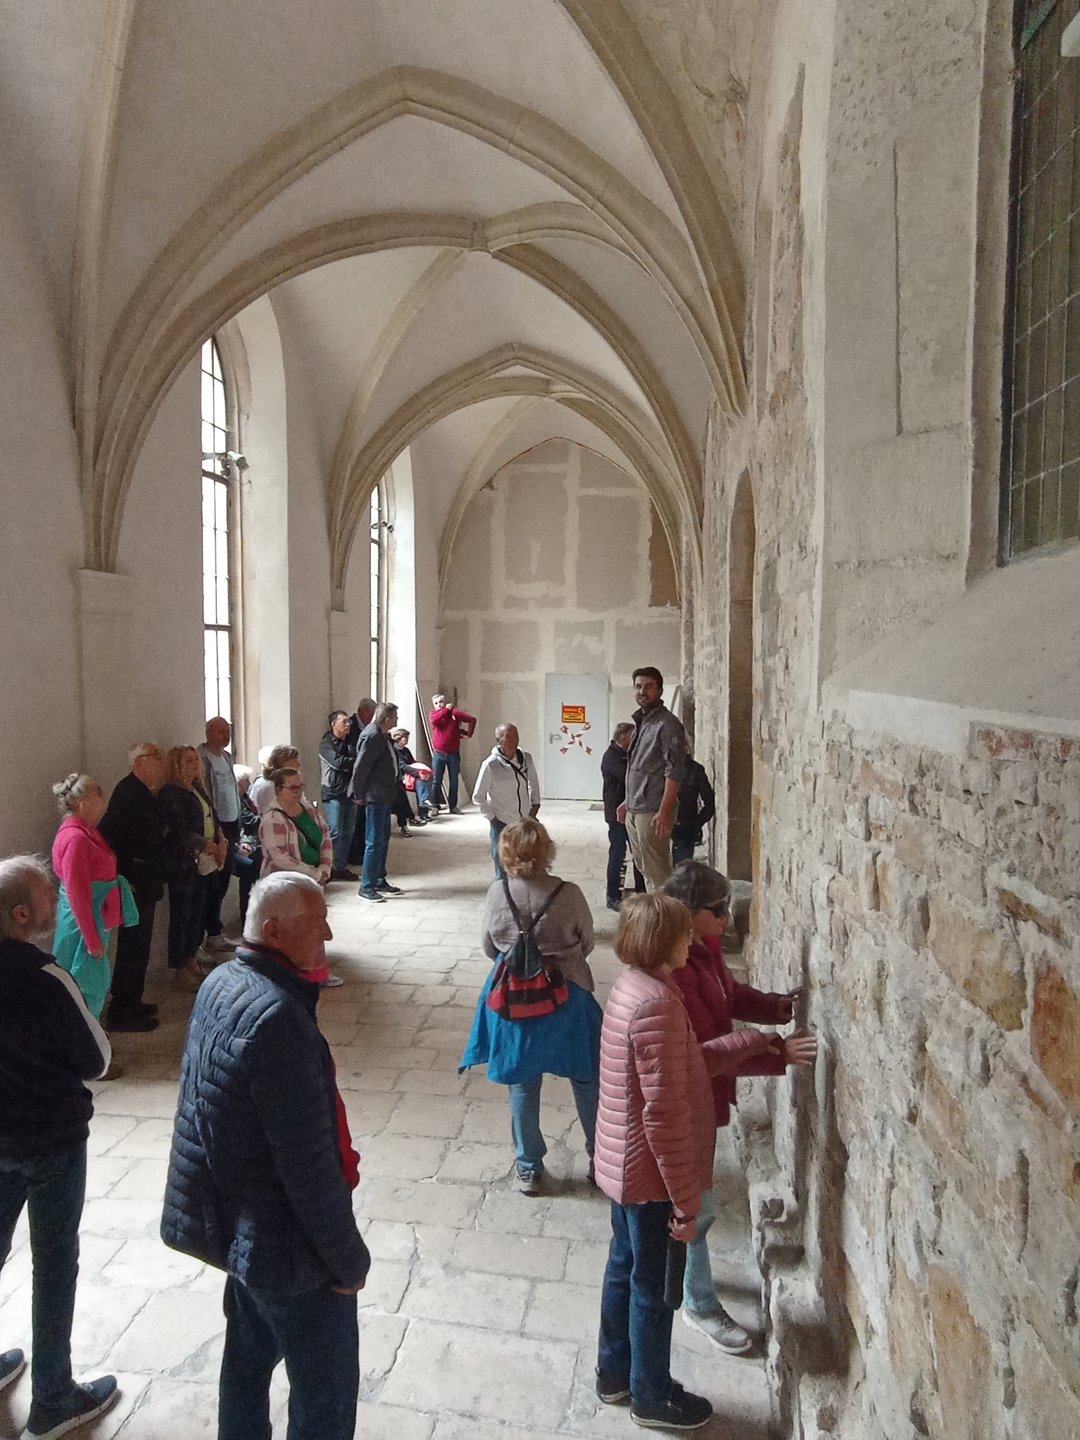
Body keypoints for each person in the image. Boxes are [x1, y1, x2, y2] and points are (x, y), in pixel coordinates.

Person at [161, 873, 370, 1440]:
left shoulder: (223, 981)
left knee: (246, 1364)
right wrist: (347, 1261)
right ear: (274, 931)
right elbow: (309, 1168)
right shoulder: (277, 1020)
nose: (328, 933)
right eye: (316, 923)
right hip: (288, 1249)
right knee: (325, 1397)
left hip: (244, 1232)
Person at [664, 861, 816, 1353]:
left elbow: (727, 996)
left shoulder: (701, 950)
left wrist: (772, 1007)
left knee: (694, 1205)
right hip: (685, 1104)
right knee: (696, 1208)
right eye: (718, 910)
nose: (728, 918)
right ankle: (697, 1303)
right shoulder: (676, 970)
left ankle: (683, 1280)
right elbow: (704, 1055)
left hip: (702, 1101)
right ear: (690, 914)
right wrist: (775, 1053)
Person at [0, 856, 118, 1440]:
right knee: (53, 1264)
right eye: (48, 894)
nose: (57, 901)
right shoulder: (46, 976)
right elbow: (97, 1060)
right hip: (50, 1141)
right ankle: (52, 1401)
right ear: (22, 914)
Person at [593, 892, 716, 1432]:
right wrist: (685, 1203)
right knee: (653, 1287)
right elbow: (663, 1115)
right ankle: (651, 1395)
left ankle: (614, 1374)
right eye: (683, 933)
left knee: (623, 1270)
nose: (691, 940)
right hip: (647, 1177)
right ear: (662, 941)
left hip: (621, 1164)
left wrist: (756, 1049)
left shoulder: (631, 987)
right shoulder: (658, 1004)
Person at [460, 819, 600, 1196]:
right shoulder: (568, 893)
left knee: (522, 1082)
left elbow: (489, 946)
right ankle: (600, 1158)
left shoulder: (498, 892)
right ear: (546, 850)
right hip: (568, 995)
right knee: (586, 1076)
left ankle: (529, 1167)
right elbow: (587, 941)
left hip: (516, 999)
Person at [50, 775, 138, 1079]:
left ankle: (93, 1049)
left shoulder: (85, 831)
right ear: (81, 802)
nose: (103, 799)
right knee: (86, 988)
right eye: (98, 794)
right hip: (82, 925)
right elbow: (77, 892)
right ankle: (91, 1058)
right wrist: (91, 939)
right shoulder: (75, 838)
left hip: (93, 920)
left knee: (91, 987)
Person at [97, 740, 166, 1032]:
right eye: (155, 758)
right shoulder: (127, 792)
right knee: (132, 947)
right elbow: (112, 837)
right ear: (139, 763)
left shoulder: (143, 792)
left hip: (146, 878)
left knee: (140, 946)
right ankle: (122, 1010)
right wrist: (128, 876)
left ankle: (133, 1000)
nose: (160, 764)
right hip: (135, 881)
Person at [258, 768, 339, 988]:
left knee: (314, 926)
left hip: (314, 880)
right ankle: (287, 976)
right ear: (278, 789)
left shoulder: (307, 809)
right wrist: (313, 873)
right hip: (285, 883)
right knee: (288, 930)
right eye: (292, 788)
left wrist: (325, 867)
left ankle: (316, 973)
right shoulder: (272, 817)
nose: (297, 792)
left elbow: (324, 836)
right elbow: (279, 856)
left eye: (299, 787)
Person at [159, 746, 227, 992]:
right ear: (176, 765)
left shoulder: (197, 788)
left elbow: (211, 817)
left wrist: (221, 840)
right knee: (182, 916)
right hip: (184, 863)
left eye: (196, 759)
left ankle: (191, 959)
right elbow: (180, 831)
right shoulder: (171, 793)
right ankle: (180, 969)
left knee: (196, 914)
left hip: (204, 860)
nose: (195, 764)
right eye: (188, 760)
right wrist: (210, 846)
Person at [617, 667, 686, 891]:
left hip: (653, 810)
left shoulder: (667, 725)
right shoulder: (643, 722)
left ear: (659, 690)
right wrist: (627, 801)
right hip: (636, 808)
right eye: (638, 686)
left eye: (649, 686)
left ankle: (666, 912)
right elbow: (639, 767)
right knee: (645, 869)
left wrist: (665, 810)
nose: (642, 691)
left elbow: (674, 770)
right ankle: (655, 910)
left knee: (659, 873)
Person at [472, 723, 541, 879]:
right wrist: (492, 818)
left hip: (523, 821)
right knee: (502, 862)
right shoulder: (490, 765)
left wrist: (535, 805)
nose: (514, 740)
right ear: (499, 740)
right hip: (501, 822)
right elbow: (478, 796)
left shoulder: (526, 759)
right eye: (509, 736)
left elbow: (533, 783)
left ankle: (522, 890)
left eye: (516, 736)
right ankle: (502, 889)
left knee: (525, 861)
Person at [350, 702, 402, 903]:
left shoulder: (381, 734)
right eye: (395, 717)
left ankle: (379, 880)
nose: (397, 720)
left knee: (382, 839)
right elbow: (361, 766)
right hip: (375, 795)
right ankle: (367, 886)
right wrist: (358, 793)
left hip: (384, 795)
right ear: (387, 718)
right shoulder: (372, 735)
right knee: (373, 841)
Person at [197, 716, 241, 953]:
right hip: (215, 826)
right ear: (209, 732)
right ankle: (209, 933)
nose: (226, 736)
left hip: (231, 823)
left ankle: (214, 931)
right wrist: (216, 829)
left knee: (223, 879)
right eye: (221, 731)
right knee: (211, 884)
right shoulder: (202, 758)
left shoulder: (226, 757)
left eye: (228, 731)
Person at [600, 722, 646, 910]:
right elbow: (629, 777)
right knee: (618, 854)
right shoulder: (612, 757)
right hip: (616, 815)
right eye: (633, 736)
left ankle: (642, 892)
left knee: (638, 853)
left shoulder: (626, 755)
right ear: (624, 737)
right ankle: (612, 896)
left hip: (631, 811)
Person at [319, 711, 359, 879]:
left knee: (348, 833)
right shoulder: (326, 744)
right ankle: (328, 868)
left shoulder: (351, 741)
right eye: (344, 722)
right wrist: (354, 762)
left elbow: (358, 760)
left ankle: (341, 867)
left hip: (350, 792)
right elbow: (337, 763)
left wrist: (354, 762)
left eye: (349, 721)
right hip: (333, 793)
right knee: (335, 832)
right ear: (333, 724)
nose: (348, 725)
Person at [428, 692, 476, 813]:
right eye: (436, 703)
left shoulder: (454, 713)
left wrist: (468, 734)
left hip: (453, 754)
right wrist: (446, 710)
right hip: (438, 754)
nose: (439, 705)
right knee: (436, 781)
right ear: (433, 705)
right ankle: (434, 806)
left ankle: (453, 806)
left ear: (444, 702)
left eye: (441, 702)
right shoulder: (434, 715)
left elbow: (472, 720)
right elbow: (434, 720)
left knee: (454, 781)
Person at [670, 751, 716, 867]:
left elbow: (709, 804)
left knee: (681, 869)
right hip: (659, 823)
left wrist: (694, 824)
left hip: (684, 827)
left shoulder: (695, 770)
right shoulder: (659, 766)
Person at [345, 699, 375, 868]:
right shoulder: (352, 727)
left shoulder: (366, 728)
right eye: (372, 713)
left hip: (364, 780)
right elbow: (354, 751)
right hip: (354, 779)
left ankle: (360, 852)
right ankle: (353, 854)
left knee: (361, 819)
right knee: (354, 822)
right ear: (364, 711)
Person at [232, 766, 260, 928]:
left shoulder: (245, 799)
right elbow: (249, 820)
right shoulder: (236, 801)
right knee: (249, 870)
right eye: (246, 781)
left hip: (251, 841)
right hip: (244, 842)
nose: (249, 783)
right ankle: (246, 918)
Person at [390, 727, 431, 831]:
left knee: (421, 779)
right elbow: (402, 766)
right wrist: (417, 772)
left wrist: (420, 771)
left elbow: (413, 763)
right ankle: (422, 805)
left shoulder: (406, 750)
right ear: (399, 738)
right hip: (401, 776)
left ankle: (422, 807)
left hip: (408, 775)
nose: (407, 740)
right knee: (402, 798)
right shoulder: (395, 750)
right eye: (405, 738)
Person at [249, 745, 300, 815]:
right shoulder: (269, 787)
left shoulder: (283, 783)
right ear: (282, 762)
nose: (298, 764)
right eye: (294, 761)